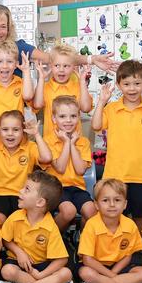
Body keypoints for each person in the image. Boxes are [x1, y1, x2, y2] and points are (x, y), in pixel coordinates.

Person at [91, 60, 142, 230]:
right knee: (114, 216)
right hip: (116, 174)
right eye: (127, 84)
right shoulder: (112, 109)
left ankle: (135, 246)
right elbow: (95, 125)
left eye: (137, 83)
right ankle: (118, 246)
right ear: (118, 85)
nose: (132, 88)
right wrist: (101, 102)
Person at [0, 171, 74, 283]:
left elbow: (62, 259)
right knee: (7, 271)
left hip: (42, 267)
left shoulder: (50, 227)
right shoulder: (15, 217)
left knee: (66, 274)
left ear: (40, 202)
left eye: (26, 189)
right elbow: (5, 239)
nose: (20, 191)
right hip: (18, 263)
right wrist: (19, 252)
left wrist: (41, 275)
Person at [0, 110, 51, 223]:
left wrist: (36, 134)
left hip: (22, 196)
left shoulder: (30, 147)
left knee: (22, 222)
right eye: (5, 129)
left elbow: (46, 158)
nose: (10, 133)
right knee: (0, 219)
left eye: (16, 130)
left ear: (23, 131)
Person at [45, 95, 97, 231]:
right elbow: (60, 168)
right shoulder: (48, 141)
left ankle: (83, 242)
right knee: (69, 212)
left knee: (91, 211)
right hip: (56, 189)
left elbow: (80, 170)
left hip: (77, 188)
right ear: (54, 119)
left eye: (73, 116)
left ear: (78, 117)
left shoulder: (83, 142)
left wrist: (72, 144)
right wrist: (67, 142)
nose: (68, 120)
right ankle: (51, 239)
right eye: (62, 116)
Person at [33, 44, 93, 141]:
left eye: (66, 66)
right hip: (51, 144)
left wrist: (82, 82)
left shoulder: (78, 87)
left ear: (73, 67)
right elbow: (37, 105)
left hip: (74, 143)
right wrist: (41, 80)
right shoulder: (45, 87)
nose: (61, 70)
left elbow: (86, 108)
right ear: (51, 66)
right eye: (57, 65)